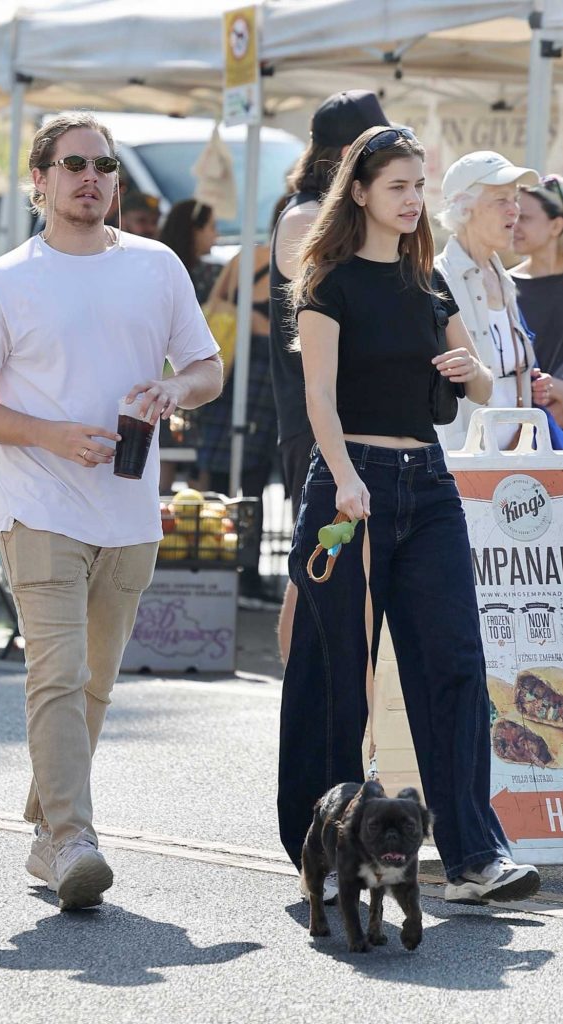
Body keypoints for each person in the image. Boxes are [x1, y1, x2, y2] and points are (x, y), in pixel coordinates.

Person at [0, 111, 222, 911]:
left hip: (130, 510)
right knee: (56, 673)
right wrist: (50, 436)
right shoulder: (5, 281)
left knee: (95, 683)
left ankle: (44, 827)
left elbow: (206, 367)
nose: (91, 177)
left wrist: (176, 388)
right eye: (73, 164)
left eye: (103, 165)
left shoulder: (157, 266)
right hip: (38, 508)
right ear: (39, 180)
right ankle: (72, 839)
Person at [278, 125, 540, 905]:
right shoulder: (327, 280)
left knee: (454, 665)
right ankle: (321, 853)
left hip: (426, 483)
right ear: (358, 191)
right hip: (347, 485)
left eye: (418, 186)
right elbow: (316, 395)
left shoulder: (428, 282)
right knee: (335, 679)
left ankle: (470, 856)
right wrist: (347, 480)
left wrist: (473, 368)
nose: (410, 200)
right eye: (397, 185)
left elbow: (487, 388)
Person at [269, 90, 390, 661]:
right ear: (349, 152)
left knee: (345, 568)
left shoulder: (330, 214)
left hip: (352, 419)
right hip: (314, 418)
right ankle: (297, 689)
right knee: (312, 566)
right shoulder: (302, 217)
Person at [435, 151, 553, 451]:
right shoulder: (436, 279)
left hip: (518, 462)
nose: (514, 210)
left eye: (514, 199)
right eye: (501, 200)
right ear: (464, 207)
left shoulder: (504, 279)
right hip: (464, 464)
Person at [196, 217, 279, 608]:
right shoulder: (299, 261)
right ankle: (245, 571)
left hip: (228, 368)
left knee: (219, 471)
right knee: (253, 479)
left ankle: (215, 560)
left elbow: (216, 301)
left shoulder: (245, 258)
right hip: (260, 370)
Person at [158, 198, 220, 492]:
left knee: (163, 457)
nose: (216, 236)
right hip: (184, 378)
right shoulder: (203, 275)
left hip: (164, 382)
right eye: (212, 227)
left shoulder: (161, 268)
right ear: (193, 230)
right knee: (195, 461)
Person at [512, 174, 563, 424]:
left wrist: (557, 389)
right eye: (514, 213)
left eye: (525, 217)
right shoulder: (503, 284)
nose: (514, 223)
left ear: (556, 226)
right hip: (517, 434)